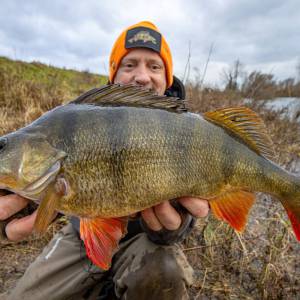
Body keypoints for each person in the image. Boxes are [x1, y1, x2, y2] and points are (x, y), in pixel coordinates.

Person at [0, 21, 209, 300]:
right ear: (113, 76)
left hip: (145, 242)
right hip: (80, 235)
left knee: (165, 272)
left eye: (155, 66)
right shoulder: (76, 121)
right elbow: (42, 188)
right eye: (130, 64)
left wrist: (176, 228)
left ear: (168, 78)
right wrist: (14, 211)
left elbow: (197, 206)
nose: (142, 77)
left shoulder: (188, 131)